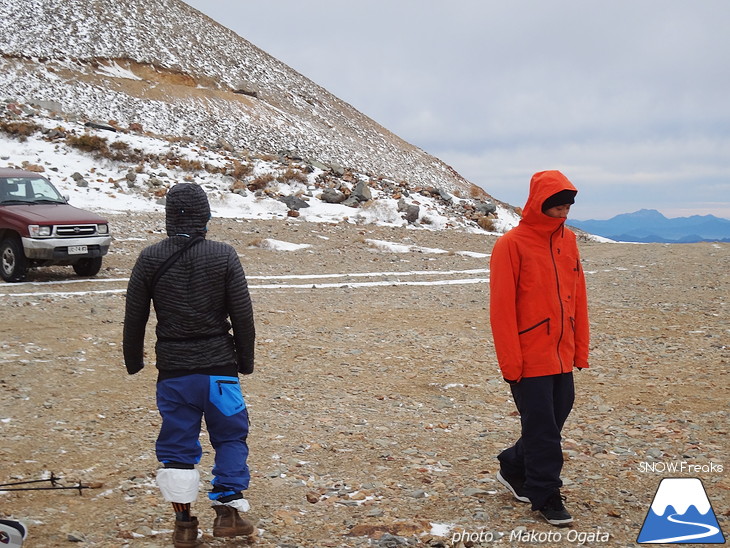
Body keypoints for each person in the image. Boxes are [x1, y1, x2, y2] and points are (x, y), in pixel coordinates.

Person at [123, 183, 256, 547]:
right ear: (206, 217)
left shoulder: (150, 258)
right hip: (220, 371)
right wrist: (245, 361)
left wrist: (133, 360)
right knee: (230, 435)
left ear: (168, 217)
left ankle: (184, 525)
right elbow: (242, 315)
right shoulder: (223, 255)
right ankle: (228, 513)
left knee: (177, 445)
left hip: (174, 372)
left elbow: (135, 316)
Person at [489, 170, 590, 526]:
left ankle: (513, 465)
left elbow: (578, 297)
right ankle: (545, 494)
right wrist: (510, 362)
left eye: (567, 208)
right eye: (557, 208)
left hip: (561, 352)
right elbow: (501, 308)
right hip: (528, 355)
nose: (563, 214)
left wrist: (580, 348)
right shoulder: (511, 245)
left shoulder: (570, 241)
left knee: (555, 417)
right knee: (544, 430)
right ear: (539, 204)